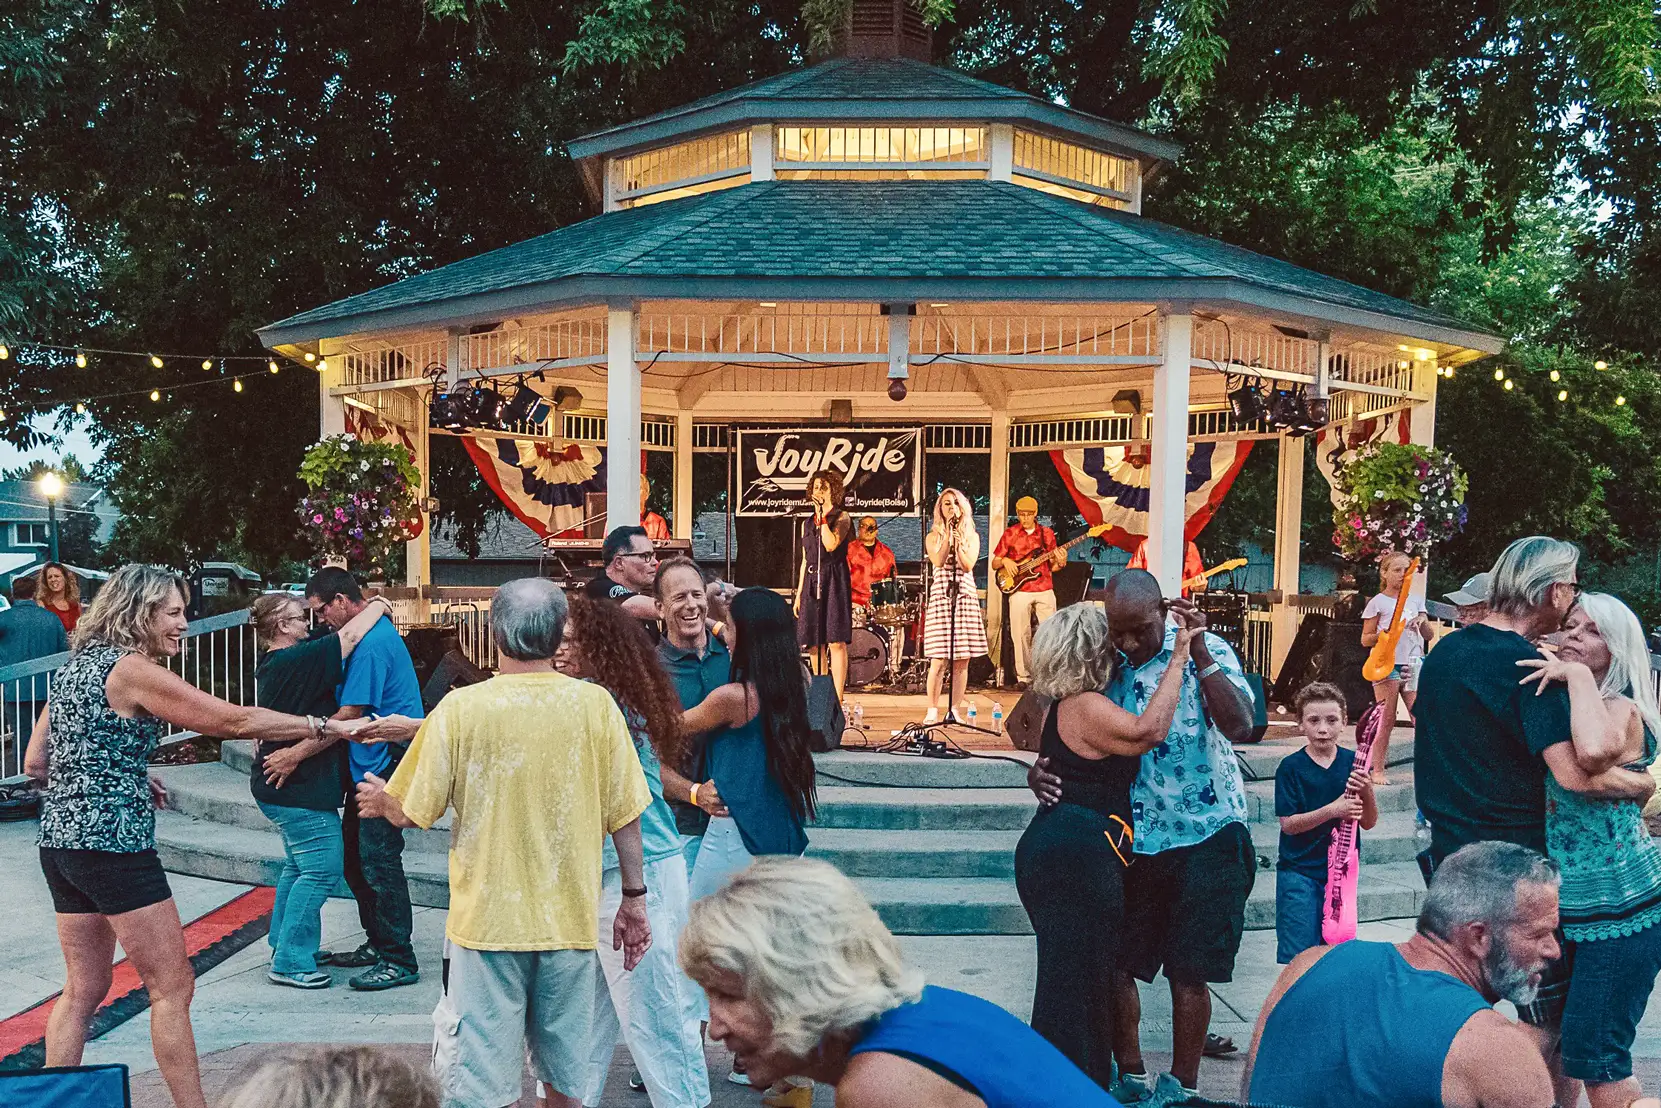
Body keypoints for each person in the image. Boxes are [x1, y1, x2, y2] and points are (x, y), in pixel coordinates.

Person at [24, 563, 341, 1108]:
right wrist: (323, 726)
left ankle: (51, 1101)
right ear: (139, 613)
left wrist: (122, 769)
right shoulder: (130, 669)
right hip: (114, 849)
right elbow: (232, 722)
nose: (185, 623)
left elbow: (36, 761)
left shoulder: (77, 667)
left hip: (61, 845)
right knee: (172, 987)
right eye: (173, 612)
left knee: (83, 989)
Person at [353, 577, 654, 1108]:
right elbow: (625, 814)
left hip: (486, 928)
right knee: (567, 1077)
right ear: (561, 631)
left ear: (494, 633)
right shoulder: (595, 707)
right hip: (570, 922)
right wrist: (634, 899)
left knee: (480, 1084)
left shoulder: (461, 709)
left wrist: (381, 799)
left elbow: (410, 811)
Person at [1028, 570, 1256, 1104]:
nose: (1129, 642)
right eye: (1119, 632)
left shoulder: (1208, 649)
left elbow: (1243, 725)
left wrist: (1195, 653)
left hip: (1209, 832)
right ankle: (1128, 1076)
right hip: (1138, 839)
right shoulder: (1108, 667)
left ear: (1164, 613)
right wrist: (1038, 768)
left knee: (1189, 971)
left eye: (1140, 630)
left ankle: (1182, 1089)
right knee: (1118, 964)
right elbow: (1040, 721)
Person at [1415, 536, 1644, 1062]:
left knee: (1460, 998)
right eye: (1571, 588)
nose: (1570, 602)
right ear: (1554, 590)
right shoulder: (1526, 668)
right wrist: (1642, 785)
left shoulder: (1448, 650)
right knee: (1547, 1020)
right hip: (1516, 870)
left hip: (1449, 860)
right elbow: (1576, 776)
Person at [679, 856, 1126, 1108]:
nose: (715, 1028)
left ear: (800, 980)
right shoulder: (927, 1012)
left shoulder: (881, 1086)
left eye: (729, 995)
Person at [1241, 842, 1645, 1108]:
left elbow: (1250, 1093)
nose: (1554, 951)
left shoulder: (1306, 966)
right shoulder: (1499, 1051)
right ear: (1479, 936)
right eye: (1540, 934)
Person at [1014, 603, 1196, 1088]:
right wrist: (1179, 658)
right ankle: (1069, 1087)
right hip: (1075, 854)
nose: (1120, 648)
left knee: (1070, 980)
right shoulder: (1085, 704)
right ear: (1092, 649)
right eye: (1110, 640)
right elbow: (1148, 732)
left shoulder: (1065, 704)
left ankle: (1058, 1083)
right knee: (1078, 985)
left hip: (1059, 846)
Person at [554, 594, 711, 1108]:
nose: (560, 647)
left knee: (654, 1016)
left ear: (599, 646)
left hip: (632, 874)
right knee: (586, 1020)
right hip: (621, 871)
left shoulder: (597, 703)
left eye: (572, 638)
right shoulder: (607, 697)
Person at [1522, 593, 1661, 1108]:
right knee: (1568, 1045)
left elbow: (1595, 754)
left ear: (1620, 648)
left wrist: (1576, 677)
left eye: (1592, 631)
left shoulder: (1620, 707)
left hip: (1624, 911)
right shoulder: (1568, 704)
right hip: (1578, 906)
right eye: (1572, 625)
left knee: (1596, 1054)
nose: (1575, 635)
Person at [244, 592, 393, 988]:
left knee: (298, 867)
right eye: (298, 618)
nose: (308, 622)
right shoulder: (295, 659)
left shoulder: (281, 660)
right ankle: (291, 961)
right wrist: (377, 605)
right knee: (322, 868)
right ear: (281, 626)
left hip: (284, 787)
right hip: (296, 791)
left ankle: (287, 943)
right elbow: (348, 638)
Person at [300, 567, 424, 991]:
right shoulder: (370, 633)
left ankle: (399, 959)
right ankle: (379, 943)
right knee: (357, 862)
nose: (320, 622)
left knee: (378, 862)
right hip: (366, 765)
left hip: (383, 765)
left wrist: (294, 752)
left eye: (320, 612)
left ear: (339, 601)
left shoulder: (371, 645)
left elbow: (349, 716)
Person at [684, 587, 816, 905]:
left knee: (698, 928)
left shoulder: (732, 699)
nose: (723, 634)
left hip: (736, 831)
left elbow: (670, 726)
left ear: (744, 635)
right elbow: (761, 624)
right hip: (779, 827)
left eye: (729, 628)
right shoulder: (798, 680)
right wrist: (719, 616)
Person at [1273, 682, 1378, 965]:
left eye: (1332, 720)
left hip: (1342, 875)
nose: (1323, 729)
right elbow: (1289, 824)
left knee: (1334, 956)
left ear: (1344, 722)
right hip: (1300, 872)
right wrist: (1333, 810)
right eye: (1314, 720)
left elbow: (1368, 822)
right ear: (1300, 724)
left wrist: (1365, 789)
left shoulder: (1353, 763)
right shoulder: (1290, 767)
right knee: (1300, 958)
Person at [653, 557, 735, 875]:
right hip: (679, 831)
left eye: (697, 595)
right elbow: (640, 760)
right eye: (679, 597)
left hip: (739, 827)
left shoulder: (733, 656)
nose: (691, 606)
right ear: (660, 608)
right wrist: (694, 793)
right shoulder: (648, 672)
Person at [1359, 551, 1433, 785]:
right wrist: (1385, 635)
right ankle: (1377, 768)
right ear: (1385, 573)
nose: (1402, 575)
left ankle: (1429, 768)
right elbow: (1365, 639)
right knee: (1386, 718)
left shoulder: (1416, 600)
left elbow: (1429, 635)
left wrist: (1423, 623)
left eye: (1406, 570)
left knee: (1420, 716)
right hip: (1387, 663)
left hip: (1412, 662)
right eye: (1397, 570)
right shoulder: (1378, 602)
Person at [922, 488, 986, 725]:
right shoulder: (933, 537)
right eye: (946, 504)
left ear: (963, 508)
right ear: (941, 509)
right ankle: (932, 709)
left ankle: (955, 709)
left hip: (965, 597)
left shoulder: (973, 537)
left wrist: (960, 544)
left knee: (962, 660)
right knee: (939, 659)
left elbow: (968, 566)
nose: (951, 507)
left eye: (955, 503)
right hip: (942, 597)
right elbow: (938, 560)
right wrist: (948, 537)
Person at [992, 496, 1066, 688]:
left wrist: (1061, 561)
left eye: (1028, 514)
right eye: (1021, 515)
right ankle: (1023, 677)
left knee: (1050, 632)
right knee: (1020, 633)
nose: (1025, 518)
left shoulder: (1046, 534)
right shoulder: (1011, 533)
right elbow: (994, 562)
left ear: (1035, 514)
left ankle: (1048, 676)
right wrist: (1006, 561)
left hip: (1044, 587)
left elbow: (1054, 567)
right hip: (1019, 589)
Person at [794, 469, 853, 702]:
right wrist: (799, 594)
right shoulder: (805, 523)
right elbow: (805, 559)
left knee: (835, 641)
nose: (818, 491)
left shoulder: (842, 517)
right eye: (815, 486)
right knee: (814, 644)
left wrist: (821, 517)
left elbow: (830, 545)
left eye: (823, 487)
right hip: (811, 579)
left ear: (832, 491)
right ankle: (821, 694)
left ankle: (837, 699)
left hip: (834, 580)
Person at [0, 572, 69, 759]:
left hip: (15, 689)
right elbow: (64, 651)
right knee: (47, 737)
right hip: (46, 688)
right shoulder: (51, 619)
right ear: (35, 592)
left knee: (21, 736)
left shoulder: (4, 619)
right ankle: (48, 777)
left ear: (13, 594)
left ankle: (22, 779)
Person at [588, 525, 665, 635]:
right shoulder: (598, 589)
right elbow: (631, 605)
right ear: (619, 563)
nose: (655, 562)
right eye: (646, 556)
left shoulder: (640, 601)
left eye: (653, 555)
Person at [846, 516, 896, 610]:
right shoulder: (849, 550)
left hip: (880, 605)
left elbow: (892, 581)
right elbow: (842, 580)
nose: (868, 529)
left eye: (871, 526)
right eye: (864, 526)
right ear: (858, 529)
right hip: (855, 603)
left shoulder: (887, 553)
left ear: (876, 531)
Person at [1128, 537, 1205, 597]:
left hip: (1178, 605)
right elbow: (1130, 579)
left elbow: (1197, 580)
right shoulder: (1146, 546)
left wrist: (1199, 586)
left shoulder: (1188, 547)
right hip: (1150, 606)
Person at [36, 560, 83, 634]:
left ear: (65, 579)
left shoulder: (76, 605)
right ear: (46, 582)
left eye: (57, 576)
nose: (53, 579)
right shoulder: (41, 605)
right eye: (49, 577)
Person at [641, 474, 670, 541]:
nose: (635, 493)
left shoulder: (657, 521)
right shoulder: (622, 520)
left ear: (647, 494)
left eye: (639, 488)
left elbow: (665, 550)